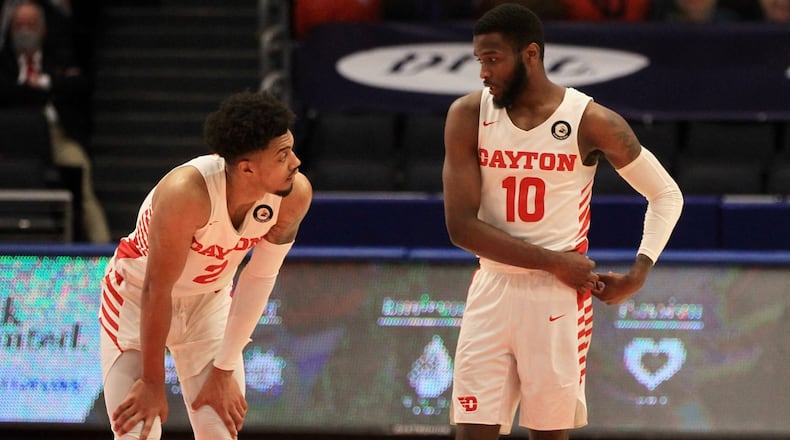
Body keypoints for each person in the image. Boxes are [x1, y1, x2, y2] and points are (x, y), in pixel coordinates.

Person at [442, 4, 683, 440]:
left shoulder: (591, 120)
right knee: (472, 431)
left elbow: (665, 194)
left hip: (557, 301)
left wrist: (639, 273)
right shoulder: (467, 114)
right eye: (480, 60)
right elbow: (460, 227)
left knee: (549, 434)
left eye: (493, 59)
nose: (483, 72)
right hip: (493, 286)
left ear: (530, 54)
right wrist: (553, 261)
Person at [98, 90, 312, 439]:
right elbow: (157, 288)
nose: (296, 162)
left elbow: (259, 278)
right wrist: (153, 382)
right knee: (137, 430)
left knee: (220, 432)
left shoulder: (294, 195)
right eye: (283, 155)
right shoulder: (186, 194)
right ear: (247, 168)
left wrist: (224, 368)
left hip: (208, 303)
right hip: (138, 299)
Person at [0, 0, 110, 243]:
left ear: (43, 29)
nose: (24, 30)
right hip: (8, 140)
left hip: (55, 136)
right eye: (19, 24)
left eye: (30, 24)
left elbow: (79, 86)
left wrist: (43, 85)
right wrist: (43, 89)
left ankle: (102, 249)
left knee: (80, 169)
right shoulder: (3, 62)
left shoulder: (59, 58)